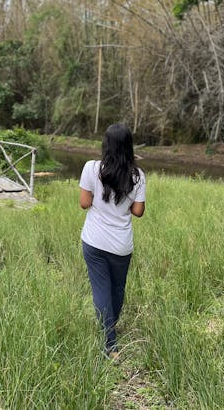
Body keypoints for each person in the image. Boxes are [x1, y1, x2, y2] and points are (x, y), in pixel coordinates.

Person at [79, 122, 146, 358]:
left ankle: (109, 341)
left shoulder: (91, 168)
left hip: (94, 241)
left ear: (106, 144)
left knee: (101, 290)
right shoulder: (137, 176)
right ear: (129, 146)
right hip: (121, 244)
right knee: (117, 289)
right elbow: (138, 211)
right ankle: (110, 329)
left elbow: (84, 203)